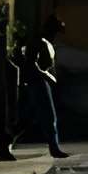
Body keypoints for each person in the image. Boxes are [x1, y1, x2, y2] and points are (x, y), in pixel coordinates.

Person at [16, 14, 68, 158]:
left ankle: (6, 140)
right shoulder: (38, 42)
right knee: (48, 116)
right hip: (37, 83)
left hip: (40, 82)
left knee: (28, 118)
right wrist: (48, 76)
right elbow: (32, 65)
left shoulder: (46, 43)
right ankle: (54, 148)